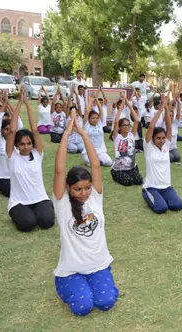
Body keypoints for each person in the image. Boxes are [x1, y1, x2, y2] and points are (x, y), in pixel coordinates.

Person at [53, 109, 118, 316]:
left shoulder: (95, 197)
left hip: (98, 265)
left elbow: (96, 165)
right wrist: (66, 135)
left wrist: (83, 134)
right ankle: (67, 285)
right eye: (77, 189)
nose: (83, 193)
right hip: (71, 270)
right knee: (83, 307)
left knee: (106, 302)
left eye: (86, 188)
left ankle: (94, 280)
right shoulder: (62, 202)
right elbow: (59, 170)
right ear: (68, 188)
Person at [6, 91, 55, 232]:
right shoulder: (12, 156)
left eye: (28, 143)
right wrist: (19, 104)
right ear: (16, 145)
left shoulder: (37, 154)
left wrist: (28, 105)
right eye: (22, 144)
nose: (26, 147)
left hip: (39, 198)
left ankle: (43, 209)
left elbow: (35, 131)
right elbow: (12, 131)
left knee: (47, 222)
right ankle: (20, 214)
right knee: (28, 224)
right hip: (19, 202)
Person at [142, 94, 182, 214]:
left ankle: (164, 198)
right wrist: (160, 109)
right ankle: (146, 193)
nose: (161, 140)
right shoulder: (149, 147)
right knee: (162, 208)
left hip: (166, 186)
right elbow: (150, 127)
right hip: (151, 187)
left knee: (177, 205)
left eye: (163, 138)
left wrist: (166, 107)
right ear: (153, 139)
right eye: (158, 138)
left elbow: (169, 128)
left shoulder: (166, 146)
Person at [110, 96, 143, 186]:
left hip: (131, 167)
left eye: (128, 125)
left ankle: (129, 173)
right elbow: (116, 122)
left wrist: (129, 105)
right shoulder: (117, 137)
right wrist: (120, 109)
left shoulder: (132, 135)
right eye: (124, 125)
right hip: (119, 168)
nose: (127, 127)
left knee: (139, 181)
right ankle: (114, 173)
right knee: (128, 182)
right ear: (120, 127)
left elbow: (136, 120)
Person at [82, 95, 113, 167]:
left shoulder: (99, 124)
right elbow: (87, 111)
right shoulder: (86, 125)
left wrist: (96, 99)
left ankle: (97, 160)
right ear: (89, 119)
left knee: (109, 162)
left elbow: (101, 110)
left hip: (100, 151)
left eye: (96, 118)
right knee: (94, 164)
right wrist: (91, 101)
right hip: (88, 151)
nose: (95, 120)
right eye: (93, 118)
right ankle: (93, 161)